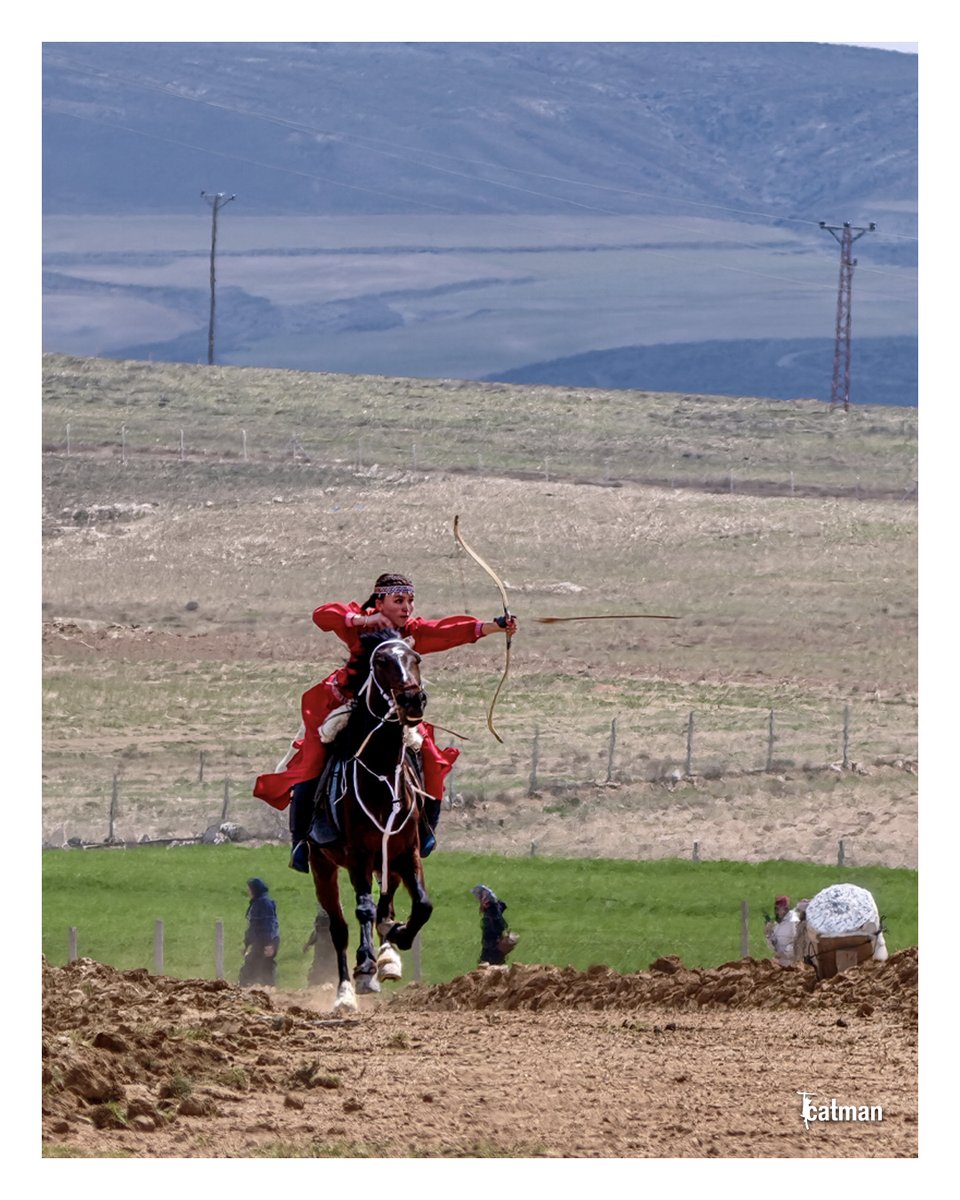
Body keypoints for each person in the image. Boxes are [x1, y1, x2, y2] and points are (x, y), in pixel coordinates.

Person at [253, 572, 518, 871]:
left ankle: (426, 828)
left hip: (394, 710)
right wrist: (362, 621)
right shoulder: (361, 623)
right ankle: (300, 840)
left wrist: (493, 627)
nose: (407, 607)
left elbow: (446, 632)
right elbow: (322, 615)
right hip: (346, 703)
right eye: (399, 600)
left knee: (431, 756)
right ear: (380, 601)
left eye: (410, 601)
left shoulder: (411, 632)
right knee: (313, 759)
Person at [239, 877, 280, 987]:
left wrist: (270, 944)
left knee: (262, 967)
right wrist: (246, 944)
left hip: (265, 941)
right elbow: (252, 927)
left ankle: (268, 991)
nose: (248, 891)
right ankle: (261, 989)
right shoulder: (257, 902)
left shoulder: (264, 903)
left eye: (249, 889)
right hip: (259, 940)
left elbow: (269, 924)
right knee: (254, 967)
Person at [472, 883, 512, 966]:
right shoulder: (495, 911)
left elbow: (495, 929)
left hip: (491, 950)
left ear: (486, 903)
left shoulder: (490, 916)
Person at [764, 894, 800, 966]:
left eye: (778, 909)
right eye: (775, 909)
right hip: (780, 963)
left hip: (791, 964)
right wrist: (768, 933)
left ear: (785, 908)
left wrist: (782, 954)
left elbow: (796, 943)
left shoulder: (793, 922)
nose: (776, 912)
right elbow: (774, 944)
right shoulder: (778, 923)